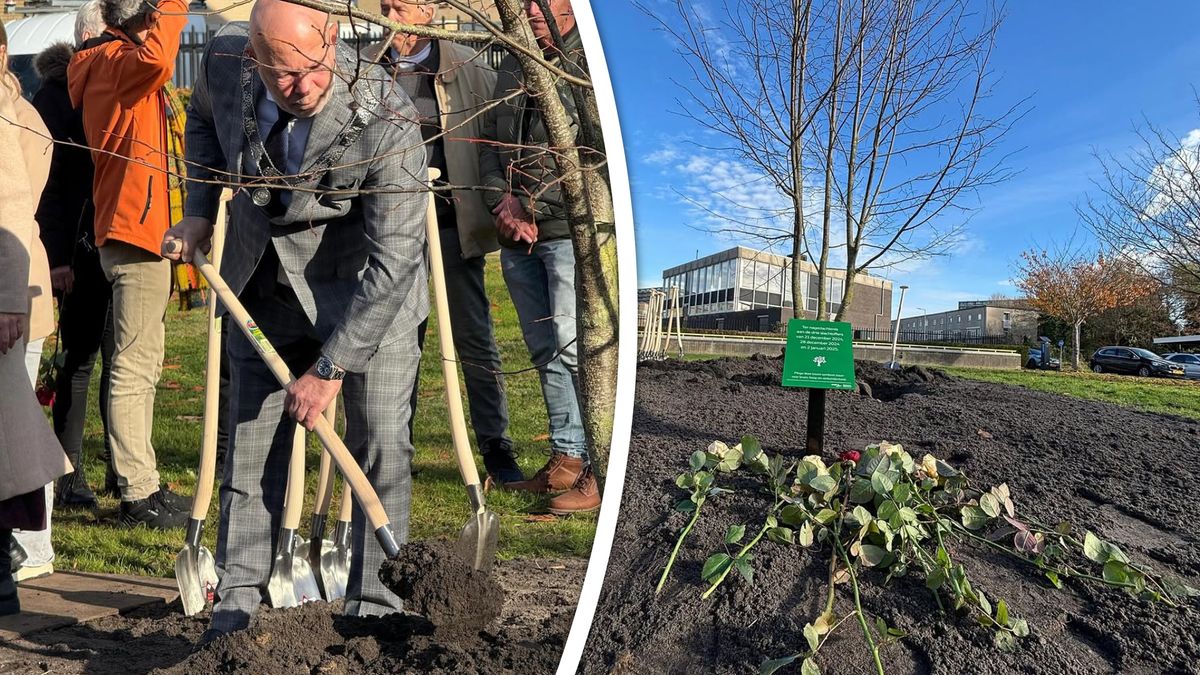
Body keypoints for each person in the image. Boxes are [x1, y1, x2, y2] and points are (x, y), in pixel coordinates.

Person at [163, 0, 427, 642]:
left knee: (380, 443)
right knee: (250, 448)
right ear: (254, 58)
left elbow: (395, 259)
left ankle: (375, 609)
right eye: (283, 74)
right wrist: (199, 207)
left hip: (365, 293)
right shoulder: (224, 60)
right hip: (262, 285)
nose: (302, 86)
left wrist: (331, 368)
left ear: (332, 39)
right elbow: (202, 120)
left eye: (314, 67)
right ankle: (236, 609)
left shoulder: (387, 115)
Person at [373, 0, 522, 484]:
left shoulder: (468, 68)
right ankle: (394, 449)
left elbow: (496, 140)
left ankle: (496, 447)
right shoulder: (366, 68)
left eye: (403, 5)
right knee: (396, 344)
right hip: (389, 233)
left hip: (452, 229)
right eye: (386, 4)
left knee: (473, 338)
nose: (392, 13)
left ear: (430, 10)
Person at [68, 0, 191, 528]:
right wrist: (172, 6)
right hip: (135, 230)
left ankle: (141, 483)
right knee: (134, 367)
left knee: (140, 362)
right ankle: (137, 493)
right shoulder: (111, 61)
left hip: (135, 228)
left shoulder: (106, 63)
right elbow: (160, 60)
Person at [479, 0, 601, 513]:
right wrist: (502, 202)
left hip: (568, 232)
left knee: (575, 348)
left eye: (542, 0)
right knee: (544, 350)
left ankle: (600, 466)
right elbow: (489, 146)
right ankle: (567, 456)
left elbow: (597, 155)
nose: (530, 9)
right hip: (517, 237)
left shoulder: (588, 66)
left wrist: (545, 206)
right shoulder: (513, 63)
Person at [32, 0, 118, 511]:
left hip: (111, 240)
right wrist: (59, 258)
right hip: (76, 249)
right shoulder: (54, 96)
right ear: (89, 38)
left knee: (118, 359)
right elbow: (50, 185)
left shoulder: (107, 87)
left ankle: (120, 468)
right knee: (80, 360)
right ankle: (68, 472)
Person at [0, 23, 72, 614]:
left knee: (15, 432)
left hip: (11, 292)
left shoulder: (12, 114)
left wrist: (8, 299)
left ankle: (28, 548)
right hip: (15, 287)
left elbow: (13, 208)